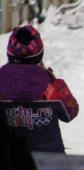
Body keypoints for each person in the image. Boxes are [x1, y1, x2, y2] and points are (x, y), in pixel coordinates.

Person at [0, 25, 79, 153]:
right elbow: (71, 112)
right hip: (51, 165)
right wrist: (56, 82)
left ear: (9, 53)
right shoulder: (51, 87)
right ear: (39, 55)